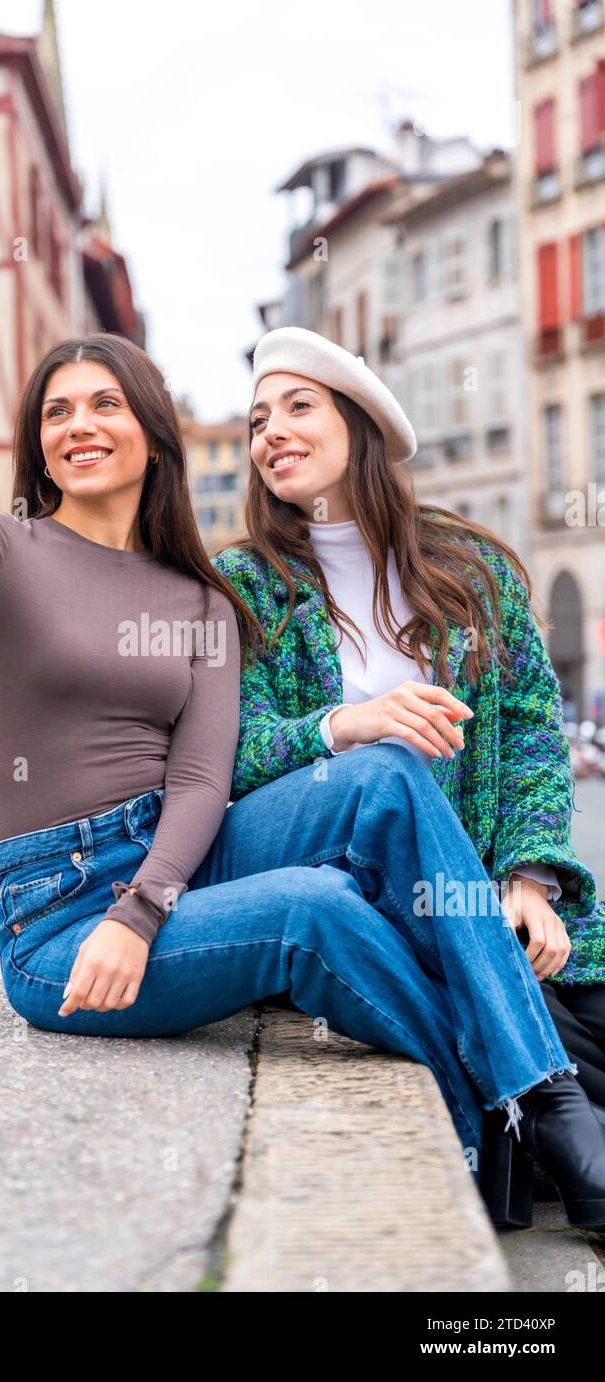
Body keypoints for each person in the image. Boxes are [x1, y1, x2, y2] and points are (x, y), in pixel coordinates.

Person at [0, 297, 605, 1232]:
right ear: (38, 445)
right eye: (56, 412)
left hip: (182, 859)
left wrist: (150, 901)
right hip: (62, 911)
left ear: (151, 434)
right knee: (314, 907)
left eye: (104, 405)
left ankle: (543, 1107)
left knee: (387, 772)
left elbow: (202, 781)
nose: (79, 426)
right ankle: (515, 1119)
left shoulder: (203, 599)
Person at [211, 324, 605, 1225]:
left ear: (361, 425)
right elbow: (225, 757)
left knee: (586, 987)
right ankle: (547, 1116)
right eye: (258, 420)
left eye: (298, 407)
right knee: (553, 1030)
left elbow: (535, 742)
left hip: (490, 903)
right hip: (362, 900)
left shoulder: (471, 571)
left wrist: (532, 879)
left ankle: (537, 1135)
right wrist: (342, 725)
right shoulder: (243, 586)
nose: (272, 432)